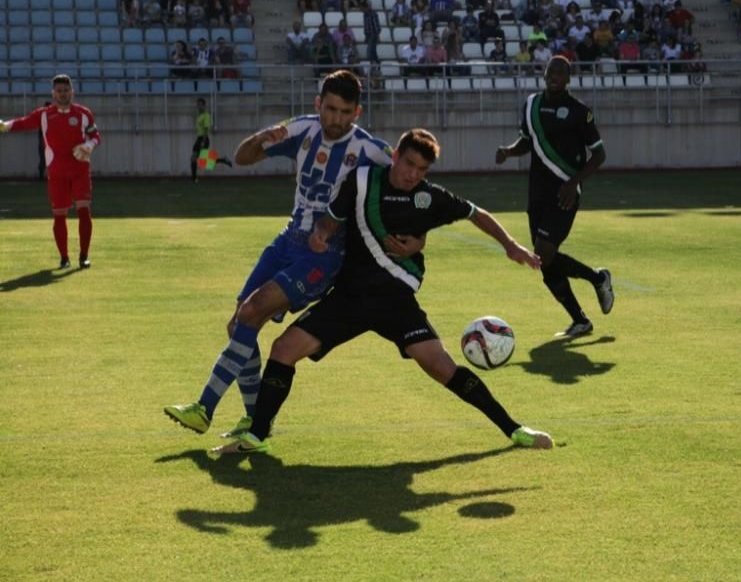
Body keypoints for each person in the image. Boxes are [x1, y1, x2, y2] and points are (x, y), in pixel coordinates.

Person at [210, 128, 553, 456]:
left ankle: (514, 429)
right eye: (408, 164)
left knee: (441, 366)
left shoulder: (428, 197)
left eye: (421, 169)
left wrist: (510, 245)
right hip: (349, 298)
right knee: (283, 348)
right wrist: (321, 234)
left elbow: (476, 213)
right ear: (396, 156)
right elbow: (331, 218)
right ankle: (257, 435)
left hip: (395, 302)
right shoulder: (362, 182)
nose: (412, 174)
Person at [164, 71, 422, 437]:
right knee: (239, 324)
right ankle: (256, 423)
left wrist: (418, 237)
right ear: (318, 104)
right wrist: (262, 138)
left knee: (251, 312)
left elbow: (413, 189)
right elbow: (242, 157)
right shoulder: (301, 129)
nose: (335, 119)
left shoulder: (371, 151)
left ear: (357, 112)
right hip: (288, 240)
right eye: (329, 108)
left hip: (324, 255)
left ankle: (204, 408)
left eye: (345, 111)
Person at [494, 56, 614, 338]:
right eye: (550, 71)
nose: (554, 75)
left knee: (544, 252)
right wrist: (509, 152)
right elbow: (527, 141)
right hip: (536, 192)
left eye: (560, 72)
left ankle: (598, 279)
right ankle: (581, 320)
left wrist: (573, 183)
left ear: (569, 78)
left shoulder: (579, 111)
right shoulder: (532, 104)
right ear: (544, 73)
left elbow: (599, 154)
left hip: (564, 193)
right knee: (541, 259)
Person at [0, 75, 101, 269]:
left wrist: (89, 145)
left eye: (66, 91)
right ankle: (64, 257)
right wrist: (5, 126)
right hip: (56, 171)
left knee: (84, 210)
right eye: (59, 91)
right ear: (53, 93)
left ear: (72, 92)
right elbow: (24, 122)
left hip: (80, 169)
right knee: (59, 214)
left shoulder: (84, 113)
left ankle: (84, 256)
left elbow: (95, 135)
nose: (63, 94)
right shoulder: (44, 114)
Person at [191, 98, 233, 182]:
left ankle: (223, 160)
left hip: (203, 138)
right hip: (198, 138)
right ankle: (194, 179)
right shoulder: (199, 116)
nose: (199, 107)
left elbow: (206, 129)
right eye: (198, 105)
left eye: (200, 105)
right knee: (194, 158)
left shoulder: (206, 116)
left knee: (204, 161)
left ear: (204, 105)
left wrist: (203, 141)